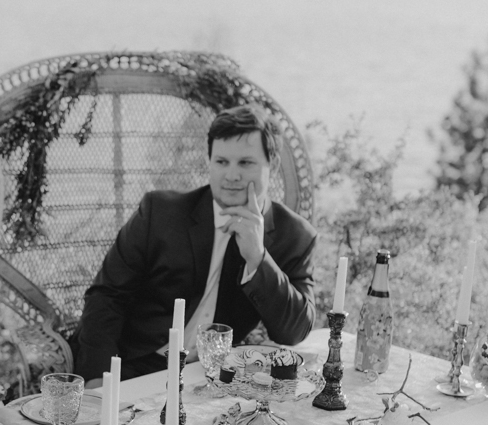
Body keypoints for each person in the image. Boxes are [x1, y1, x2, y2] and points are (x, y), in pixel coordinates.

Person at [72, 104, 317, 384]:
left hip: (215, 378)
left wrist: (258, 258)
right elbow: (106, 297)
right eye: (221, 162)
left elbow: (294, 332)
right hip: (136, 367)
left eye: (246, 163)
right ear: (209, 162)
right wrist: (98, 377)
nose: (232, 175)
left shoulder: (296, 236)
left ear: (271, 165)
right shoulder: (159, 212)